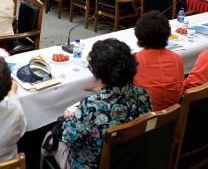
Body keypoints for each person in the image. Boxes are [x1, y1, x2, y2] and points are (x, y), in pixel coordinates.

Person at [62, 39, 151, 169]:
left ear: (98, 72)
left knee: (48, 143)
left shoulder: (92, 105)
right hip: (130, 160)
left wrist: (69, 118)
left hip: (91, 164)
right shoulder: (142, 95)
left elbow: (68, 138)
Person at [133, 11, 184, 111]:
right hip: (173, 117)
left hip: (145, 120)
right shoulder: (177, 59)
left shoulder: (135, 60)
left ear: (139, 34)